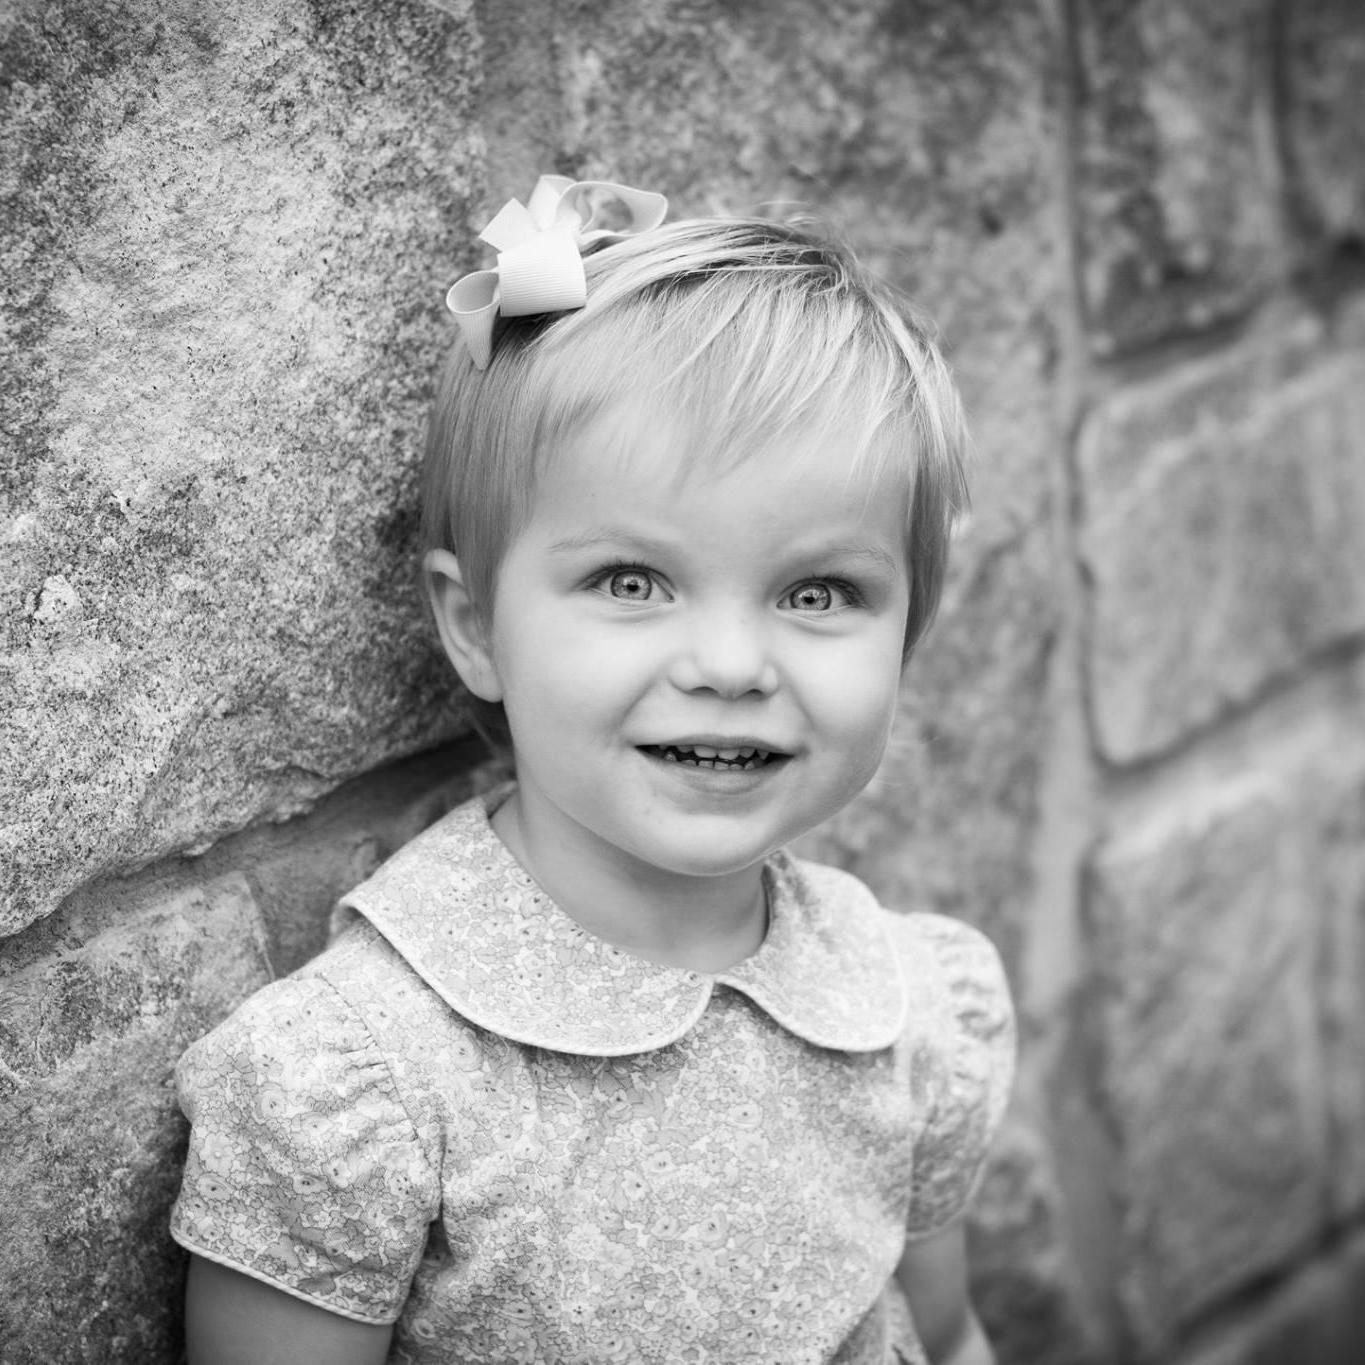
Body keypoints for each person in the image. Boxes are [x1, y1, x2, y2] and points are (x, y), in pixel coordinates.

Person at [171, 176, 1016, 1365]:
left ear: (909, 630)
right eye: (632, 581)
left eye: (819, 592)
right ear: (477, 627)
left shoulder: (909, 1010)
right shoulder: (365, 1082)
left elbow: (949, 1332)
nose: (731, 665)